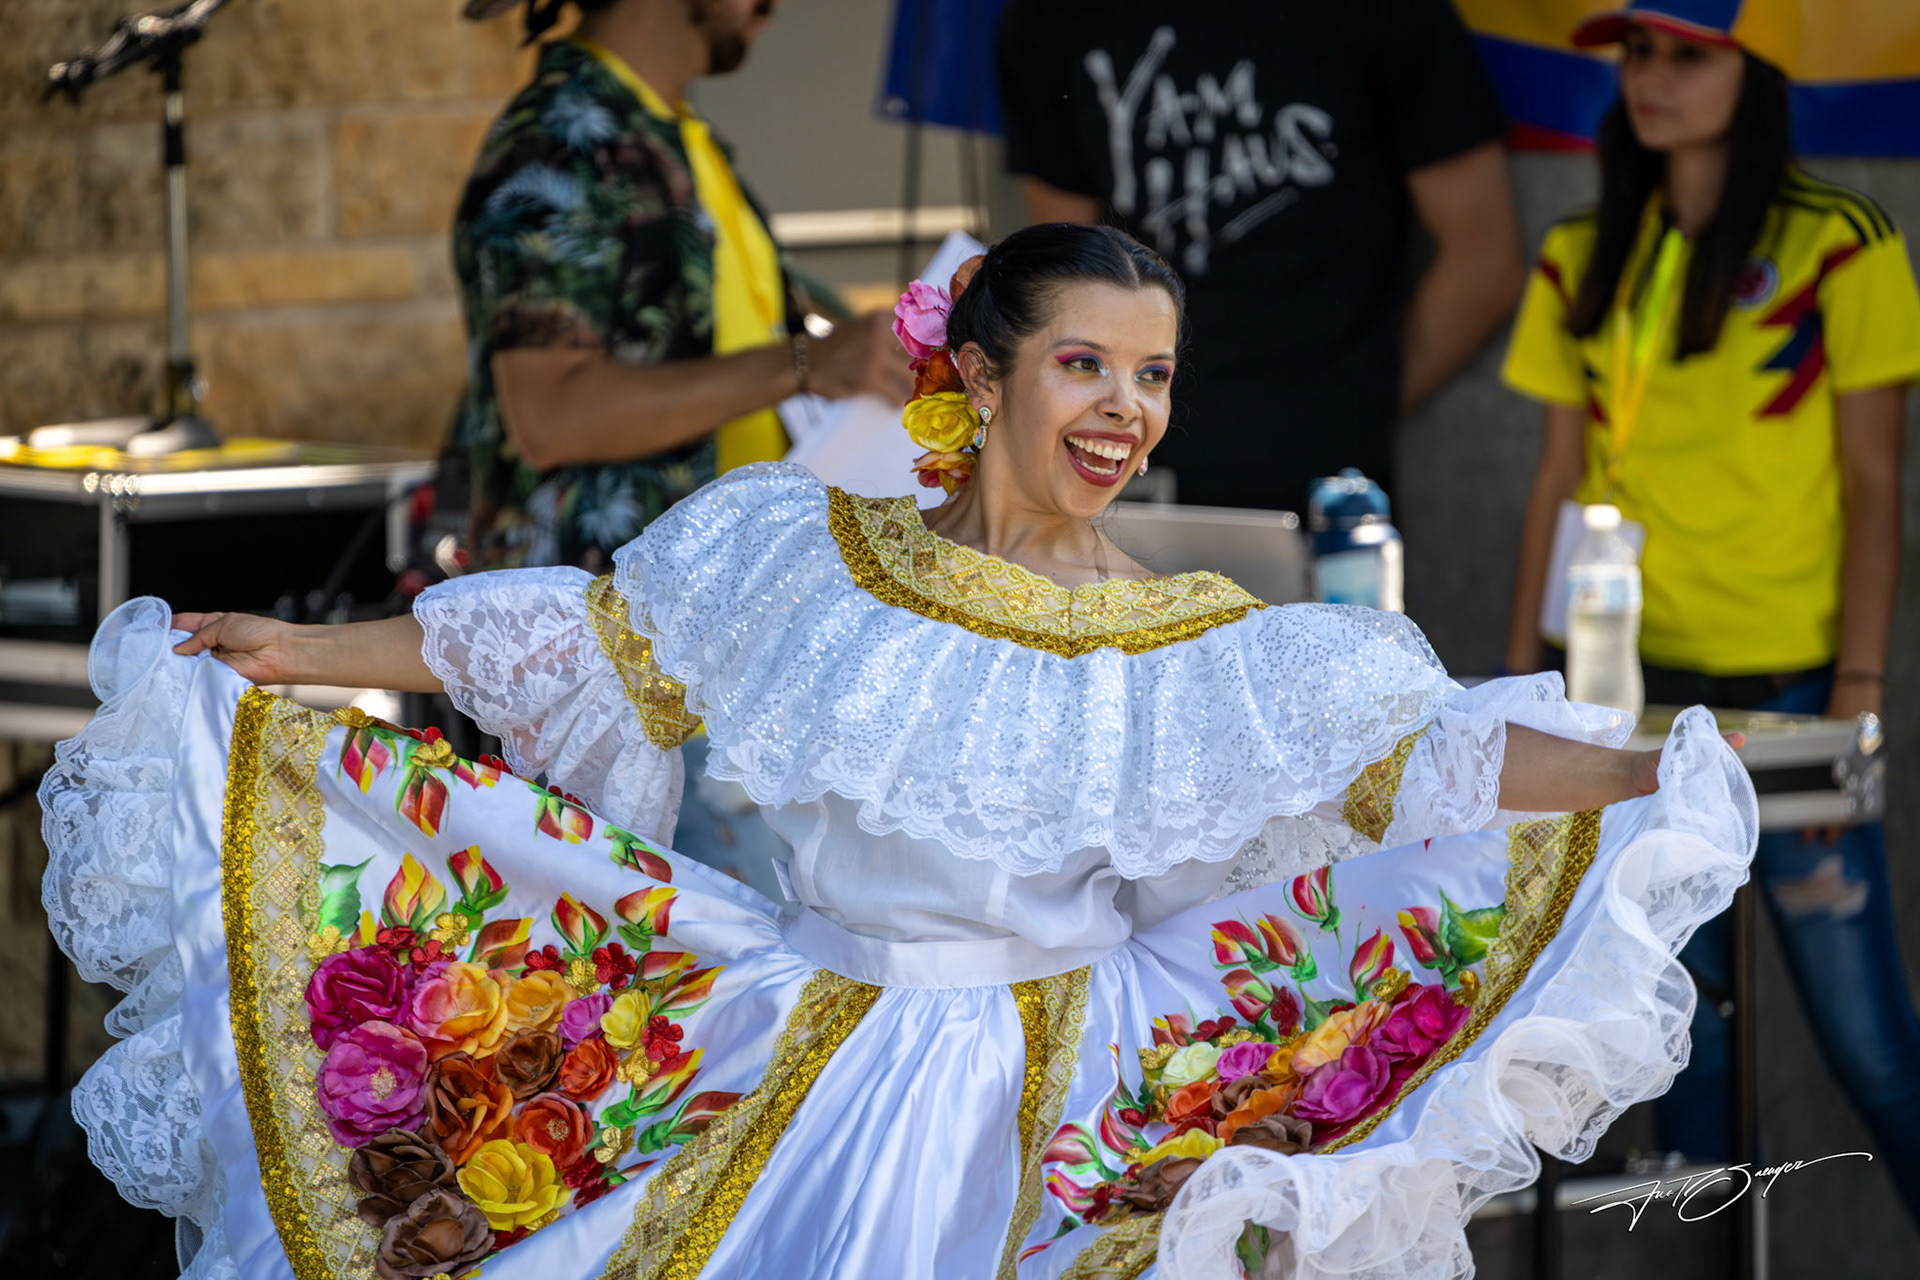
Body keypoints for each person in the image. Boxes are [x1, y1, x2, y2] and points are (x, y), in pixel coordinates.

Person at [42, 225, 1756, 1280]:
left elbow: (1423, 761)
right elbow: (582, 637)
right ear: (985, 378)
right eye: (1084, 364)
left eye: (1154, 375)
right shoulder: (807, 553)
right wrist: (303, 656)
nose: (1126, 409)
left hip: (1068, 1089)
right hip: (803, 1042)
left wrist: (1645, 781)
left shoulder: (1198, 641)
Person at [1500, 0, 1920, 1222]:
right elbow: (1555, 475)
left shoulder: (1843, 243)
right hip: (1623, 700)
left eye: (1689, 54)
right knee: (1681, 1053)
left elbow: (1877, 481)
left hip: (1788, 697)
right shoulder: (1581, 251)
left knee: (1872, 1047)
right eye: (1638, 52)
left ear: (1759, 72)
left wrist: (1857, 697)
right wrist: (1516, 690)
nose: (1653, 77)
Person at [994, 0, 1526, 514]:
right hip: (1127, 484)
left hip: (1330, 494)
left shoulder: (1383, 10)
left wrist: (1357, 408)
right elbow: (1060, 284)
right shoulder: (1053, 18)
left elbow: (1484, 262)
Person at [449, 0, 911, 572]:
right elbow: (549, 418)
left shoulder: (673, 138)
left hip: (708, 597)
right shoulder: (559, 142)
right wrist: (802, 363)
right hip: (595, 610)